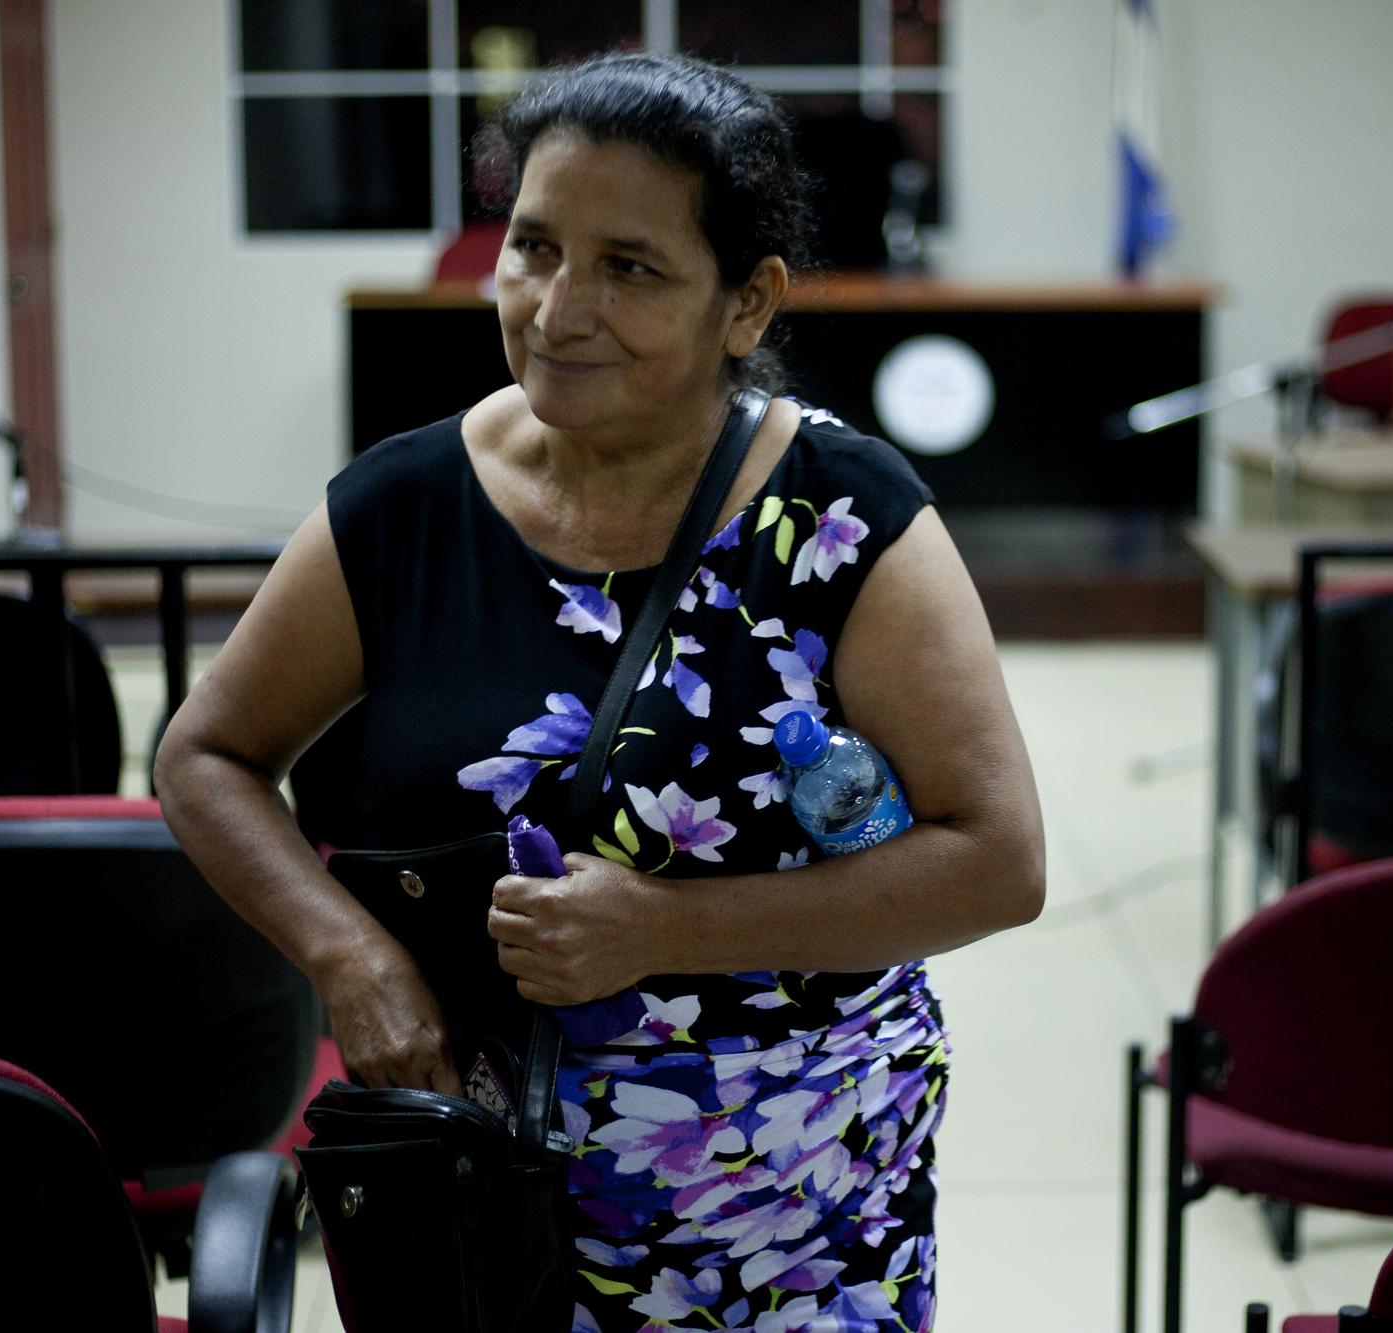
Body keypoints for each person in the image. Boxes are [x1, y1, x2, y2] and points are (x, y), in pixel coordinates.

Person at [156, 50, 1044, 1332]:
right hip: (480, 1194)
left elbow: (998, 862)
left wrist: (666, 928)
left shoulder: (845, 519)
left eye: (629, 268)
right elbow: (206, 758)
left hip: (790, 1202)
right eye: (530, 247)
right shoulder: (408, 505)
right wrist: (350, 959)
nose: (554, 309)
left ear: (746, 304)